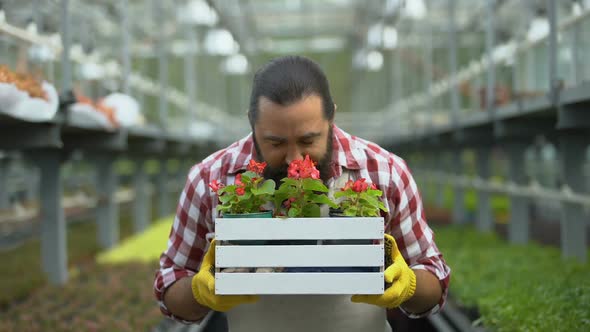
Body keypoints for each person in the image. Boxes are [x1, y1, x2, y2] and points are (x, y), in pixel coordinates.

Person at [154, 55, 451, 332]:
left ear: (331, 117)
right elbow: (169, 287)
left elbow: (434, 282)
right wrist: (198, 291)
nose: (295, 160)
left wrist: (409, 283)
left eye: (308, 140)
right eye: (276, 142)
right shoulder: (210, 178)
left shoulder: (384, 171)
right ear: (251, 123)